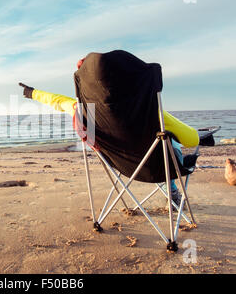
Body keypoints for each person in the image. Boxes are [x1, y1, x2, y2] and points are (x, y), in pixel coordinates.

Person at [19, 56, 199, 207]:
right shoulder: (150, 111)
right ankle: (173, 193)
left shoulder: (82, 109)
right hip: (155, 167)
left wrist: (32, 93)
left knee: (161, 143)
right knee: (168, 141)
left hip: (120, 166)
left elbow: (56, 101)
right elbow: (192, 140)